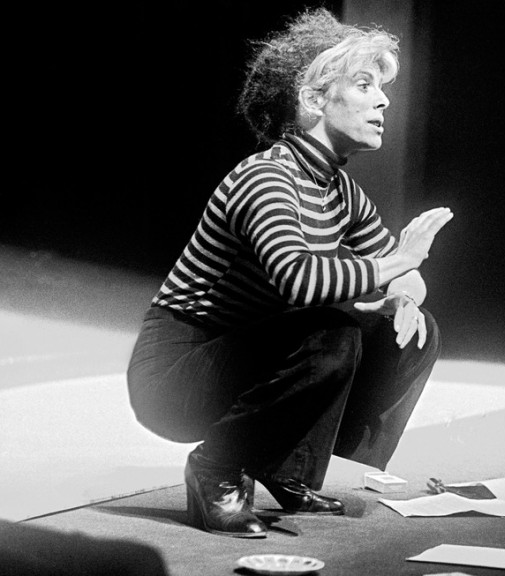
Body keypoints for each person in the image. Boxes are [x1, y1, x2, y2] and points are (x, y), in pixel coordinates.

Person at [126, 8, 453, 538]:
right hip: (176, 373)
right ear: (313, 99)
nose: (383, 100)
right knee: (331, 332)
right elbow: (297, 279)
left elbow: (406, 281)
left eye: (381, 87)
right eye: (364, 85)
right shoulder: (266, 177)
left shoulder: (341, 191)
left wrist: (403, 296)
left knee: (413, 332)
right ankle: (215, 466)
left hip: (244, 355)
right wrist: (399, 261)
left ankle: (286, 467)